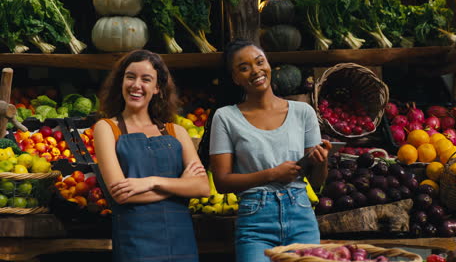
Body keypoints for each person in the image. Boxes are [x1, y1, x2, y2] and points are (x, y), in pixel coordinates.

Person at [199, 39, 332, 262]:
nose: (255, 70)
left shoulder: (303, 112)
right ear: (235, 78)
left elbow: (317, 182)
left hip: (300, 214)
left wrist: (322, 161)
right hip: (255, 223)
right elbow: (221, 182)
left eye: (260, 62)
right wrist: (272, 175)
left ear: (269, 64)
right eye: (244, 67)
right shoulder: (226, 117)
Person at [94, 49, 210, 262]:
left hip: (181, 242)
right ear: (121, 82)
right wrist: (181, 187)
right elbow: (121, 194)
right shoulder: (107, 128)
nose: (136, 85)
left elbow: (202, 187)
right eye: (130, 77)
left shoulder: (177, 132)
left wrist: (150, 182)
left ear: (157, 88)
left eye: (146, 79)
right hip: (136, 243)